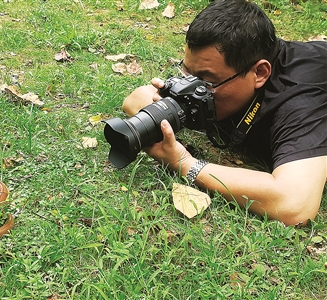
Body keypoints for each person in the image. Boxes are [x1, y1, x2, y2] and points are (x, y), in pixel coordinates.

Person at [121, 0, 327, 226]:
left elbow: (295, 204)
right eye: (188, 74)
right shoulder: (236, 67)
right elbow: (136, 98)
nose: (194, 88)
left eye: (207, 82)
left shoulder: (299, 98)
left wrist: (186, 164)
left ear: (259, 73)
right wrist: (169, 104)